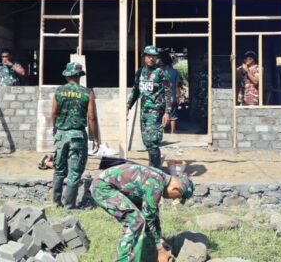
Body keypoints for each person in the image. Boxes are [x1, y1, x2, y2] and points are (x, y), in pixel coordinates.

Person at [91, 162, 194, 262]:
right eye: (178, 197)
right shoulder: (156, 183)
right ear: (176, 188)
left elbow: (152, 214)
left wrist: (160, 240)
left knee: (139, 218)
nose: (174, 199)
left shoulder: (160, 178)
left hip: (109, 184)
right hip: (103, 187)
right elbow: (148, 218)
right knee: (135, 220)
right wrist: (160, 249)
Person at [50, 62, 100, 210]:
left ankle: (56, 202)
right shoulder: (87, 92)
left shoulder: (59, 91)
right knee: (75, 172)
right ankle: (69, 206)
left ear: (67, 76)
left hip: (61, 135)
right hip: (77, 136)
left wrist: (56, 128)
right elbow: (91, 117)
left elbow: (54, 113)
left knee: (59, 170)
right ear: (79, 76)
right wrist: (95, 138)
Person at [127, 45, 171, 168]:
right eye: (149, 56)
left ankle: (155, 168)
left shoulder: (161, 73)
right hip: (144, 111)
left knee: (153, 141)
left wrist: (167, 112)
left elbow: (168, 93)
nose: (151, 59)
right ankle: (155, 163)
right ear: (144, 57)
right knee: (146, 141)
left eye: (154, 56)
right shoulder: (140, 72)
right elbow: (135, 90)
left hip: (156, 112)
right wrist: (128, 106)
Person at [160, 52, 181, 134]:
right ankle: (172, 133)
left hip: (162, 98)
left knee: (162, 115)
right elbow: (177, 86)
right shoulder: (175, 72)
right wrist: (178, 97)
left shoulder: (160, 72)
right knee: (173, 116)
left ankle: (164, 132)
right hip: (172, 98)